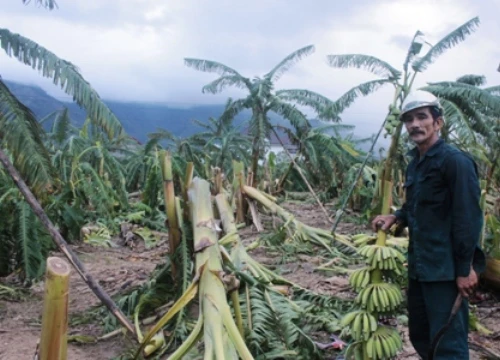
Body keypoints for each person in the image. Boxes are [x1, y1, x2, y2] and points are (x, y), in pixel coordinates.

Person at [371, 90, 486, 359]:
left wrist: (465, 268)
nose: (414, 124)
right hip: (420, 267)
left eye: (422, 117)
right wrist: (397, 217)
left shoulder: (455, 162)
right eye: (409, 119)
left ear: (438, 122)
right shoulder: (415, 164)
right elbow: (415, 208)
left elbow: (468, 218)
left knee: (448, 342)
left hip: (446, 271)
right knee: (421, 335)